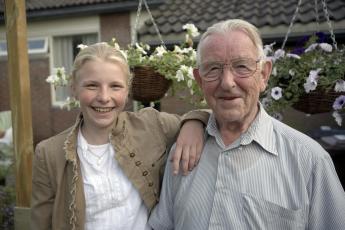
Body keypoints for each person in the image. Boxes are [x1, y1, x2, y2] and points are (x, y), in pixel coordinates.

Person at [149, 19, 345, 229]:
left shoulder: (310, 161)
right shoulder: (181, 154)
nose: (227, 82)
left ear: (263, 74)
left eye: (241, 66)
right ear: (199, 80)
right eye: (213, 69)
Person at [30, 42, 210, 230]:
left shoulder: (150, 125)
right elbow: (40, 223)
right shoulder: (49, 153)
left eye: (115, 86)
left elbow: (212, 116)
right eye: (92, 85)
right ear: (74, 88)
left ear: (127, 90)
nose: (104, 97)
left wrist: (193, 124)